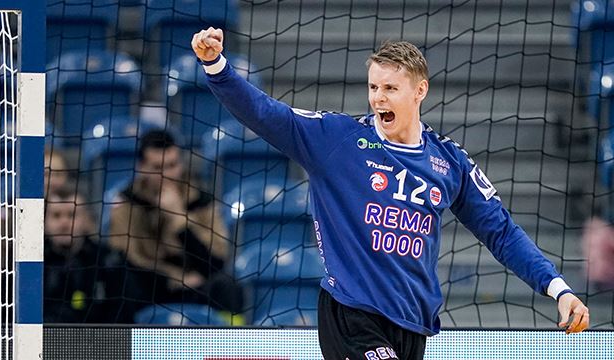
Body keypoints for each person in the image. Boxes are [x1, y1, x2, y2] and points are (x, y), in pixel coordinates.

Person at [191, 28, 590, 359]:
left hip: (411, 324)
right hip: (351, 314)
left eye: (390, 88)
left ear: (420, 91)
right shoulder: (338, 140)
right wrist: (217, 66)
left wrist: (558, 289)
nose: (378, 97)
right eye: (373, 87)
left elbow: (500, 233)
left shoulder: (448, 162)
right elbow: (265, 113)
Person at [108, 130, 243, 315]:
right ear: (142, 167)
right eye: (157, 167)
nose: (167, 175)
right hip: (151, 286)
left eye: (172, 165)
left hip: (197, 283)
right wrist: (173, 278)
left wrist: (179, 219)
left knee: (227, 286)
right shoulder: (127, 203)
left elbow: (215, 261)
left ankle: (232, 341)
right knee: (121, 281)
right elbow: (127, 258)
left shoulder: (201, 201)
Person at [44, 187, 126, 323]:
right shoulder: (29, 263)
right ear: (44, 222)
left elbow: (122, 316)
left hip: (96, 341)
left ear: (85, 219)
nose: (64, 223)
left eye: (72, 215)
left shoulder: (108, 261)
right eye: (56, 215)